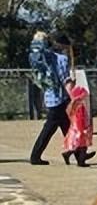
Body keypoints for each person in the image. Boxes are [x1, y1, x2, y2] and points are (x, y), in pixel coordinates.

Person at [29, 32, 74, 165]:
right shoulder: (59, 59)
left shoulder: (40, 60)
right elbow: (64, 79)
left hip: (49, 97)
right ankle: (35, 156)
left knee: (67, 127)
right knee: (51, 129)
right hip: (60, 98)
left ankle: (78, 153)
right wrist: (73, 96)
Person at [63, 80, 95, 167]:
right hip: (80, 128)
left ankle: (71, 154)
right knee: (82, 143)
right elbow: (81, 119)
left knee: (79, 144)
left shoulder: (74, 105)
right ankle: (80, 160)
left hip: (76, 128)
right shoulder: (80, 106)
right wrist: (84, 128)